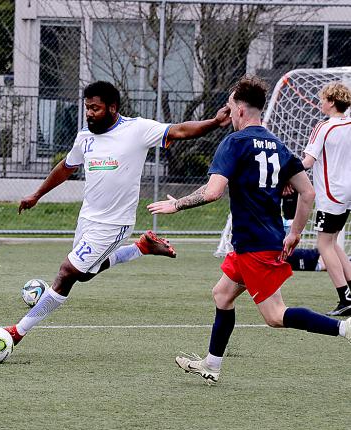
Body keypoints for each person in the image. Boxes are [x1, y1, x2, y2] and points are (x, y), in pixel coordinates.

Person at [148, 75, 351, 385]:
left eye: (230, 108)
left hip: (257, 245)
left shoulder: (234, 142)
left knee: (275, 316)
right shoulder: (277, 143)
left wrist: (177, 205)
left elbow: (214, 191)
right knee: (222, 294)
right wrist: (295, 232)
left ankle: (344, 329)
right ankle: (212, 365)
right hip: (254, 242)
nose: (228, 115)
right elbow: (307, 193)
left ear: (240, 111)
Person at [3, 80, 232, 345]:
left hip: (114, 224)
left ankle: (17, 332)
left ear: (112, 108)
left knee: (67, 273)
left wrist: (215, 122)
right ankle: (142, 247)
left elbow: (180, 130)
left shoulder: (137, 129)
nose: (89, 113)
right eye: (87, 108)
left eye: (95, 108)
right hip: (88, 218)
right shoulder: (84, 137)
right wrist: (37, 194)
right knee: (85, 274)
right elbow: (67, 167)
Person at [301, 81, 351, 316]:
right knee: (332, 241)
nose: (320, 102)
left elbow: (308, 162)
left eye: (323, 99)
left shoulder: (324, 127)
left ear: (331, 102)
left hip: (331, 194)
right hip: (346, 194)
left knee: (323, 244)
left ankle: (345, 297)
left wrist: (286, 173)